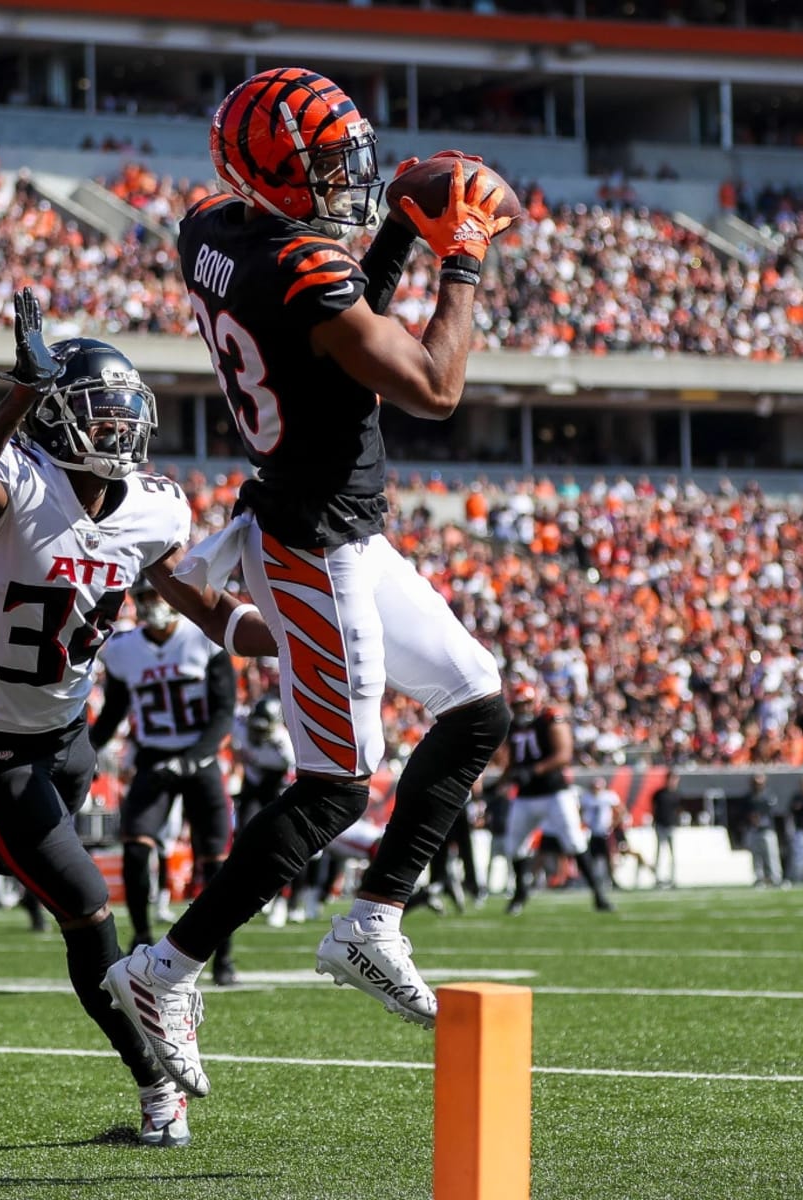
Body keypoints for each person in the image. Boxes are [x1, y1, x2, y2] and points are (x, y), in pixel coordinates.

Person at [101, 66, 514, 1101]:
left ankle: (373, 919)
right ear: (271, 172)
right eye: (326, 169)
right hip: (313, 543)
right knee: (335, 784)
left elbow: (328, 328)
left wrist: (393, 241)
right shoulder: (294, 266)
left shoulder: (212, 229)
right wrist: (456, 256)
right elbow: (432, 385)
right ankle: (163, 971)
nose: (348, 184)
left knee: (477, 700)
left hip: (333, 524)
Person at [0, 291, 275, 1146]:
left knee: (18, 847)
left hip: (65, 738)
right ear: (57, 416)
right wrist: (17, 396)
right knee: (85, 907)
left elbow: (214, 616)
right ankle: (158, 1097)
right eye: (98, 418)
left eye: (122, 419)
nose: (117, 434)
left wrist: (295, 640)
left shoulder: (151, 508)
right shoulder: (18, 485)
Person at [90, 579, 238, 984]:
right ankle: (141, 940)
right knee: (136, 847)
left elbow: (224, 712)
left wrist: (193, 759)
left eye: (155, 596)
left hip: (201, 754)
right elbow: (114, 712)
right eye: (142, 598)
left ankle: (222, 956)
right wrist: (83, 750)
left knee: (215, 862)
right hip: (154, 755)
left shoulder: (203, 639)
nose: (150, 604)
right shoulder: (124, 651)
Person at [492, 682, 613, 916]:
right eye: (517, 705)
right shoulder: (514, 726)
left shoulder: (550, 718)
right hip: (526, 796)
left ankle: (599, 894)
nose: (521, 709)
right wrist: (500, 784)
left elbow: (564, 754)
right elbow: (513, 763)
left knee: (575, 842)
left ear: (534, 701)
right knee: (513, 847)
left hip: (555, 793)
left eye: (525, 703)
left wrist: (533, 771)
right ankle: (520, 893)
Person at [232, 694, 306, 925]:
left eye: (264, 729)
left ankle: (287, 901)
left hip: (278, 787)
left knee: (284, 841)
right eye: (256, 727)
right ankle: (253, 893)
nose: (258, 733)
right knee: (245, 835)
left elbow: (294, 776)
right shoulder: (239, 727)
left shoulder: (285, 746)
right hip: (253, 784)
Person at [745, 772, 783, 887]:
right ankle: (759, 878)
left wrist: (758, 818)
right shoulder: (749, 797)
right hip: (754, 830)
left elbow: (770, 811)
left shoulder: (768, 795)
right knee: (756, 857)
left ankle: (775, 878)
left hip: (767, 830)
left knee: (771, 856)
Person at [651, 769, 682, 888]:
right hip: (660, 825)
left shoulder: (677, 794)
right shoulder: (659, 794)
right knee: (659, 853)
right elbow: (654, 809)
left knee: (672, 854)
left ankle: (673, 878)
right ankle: (657, 878)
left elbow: (678, 810)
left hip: (671, 826)